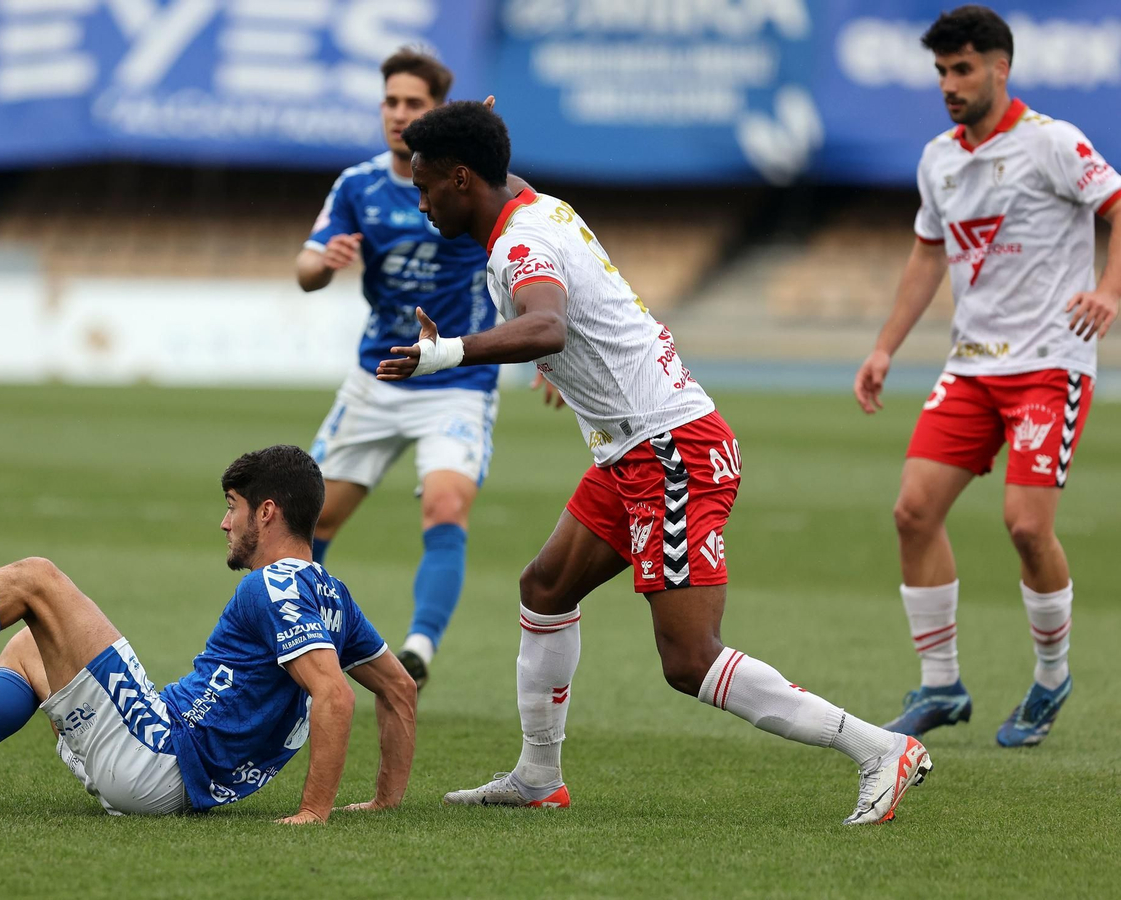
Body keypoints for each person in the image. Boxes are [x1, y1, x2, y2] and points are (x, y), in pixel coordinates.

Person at [382, 101, 930, 825]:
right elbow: (555, 312)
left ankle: (880, 749)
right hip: (632, 447)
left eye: (425, 187)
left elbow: (546, 324)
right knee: (545, 587)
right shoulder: (530, 205)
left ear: (460, 179)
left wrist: (446, 353)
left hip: (671, 453)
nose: (419, 202)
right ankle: (538, 776)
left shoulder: (519, 246)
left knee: (689, 659)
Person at [0, 445, 418, 823]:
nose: (223, 522)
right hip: (175, 766)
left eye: (232, 505)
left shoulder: (271, 587)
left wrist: (314, 812)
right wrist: (385, 804)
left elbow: (332, 697)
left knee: (36, 581)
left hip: (163, 757)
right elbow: (399, 693)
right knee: (30, 644)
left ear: (268, 512)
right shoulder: (331, 597)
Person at [853, 6, 1118, 748]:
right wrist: (884, 349)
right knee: (912, 511)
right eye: (941, 71)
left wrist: (1110, 290)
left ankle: (1051, 675)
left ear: (1000, 69)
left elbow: (1120, 206)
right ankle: (942, 687)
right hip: (971, 368)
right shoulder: (939, 157)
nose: (949, 84)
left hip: (1049, 365)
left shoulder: (1053, 143)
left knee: (1027, 527)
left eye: (962, 69)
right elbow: (927, 255)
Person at [296, 47, 513, 688]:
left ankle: (417, 649)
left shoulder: (471, 182)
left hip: (456, 380)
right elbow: (305, 269)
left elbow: (525, 261)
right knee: (310, 524)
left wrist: (551, 357)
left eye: (413, 104)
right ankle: (295, 641)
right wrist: (324, 261)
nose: (398, 113)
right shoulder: (357, 185)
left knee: (445, 504)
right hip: (377, 375)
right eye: (390, 101)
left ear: (436, 112)